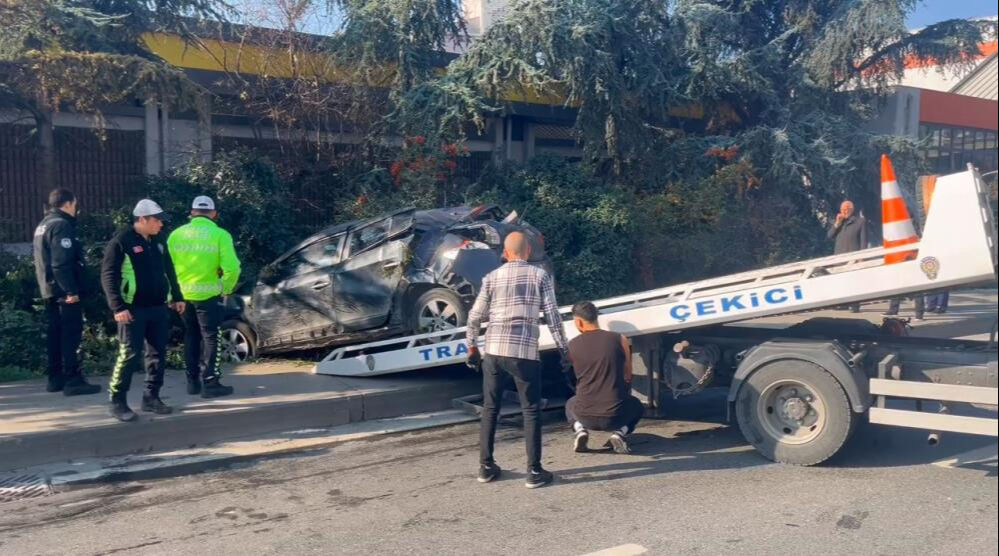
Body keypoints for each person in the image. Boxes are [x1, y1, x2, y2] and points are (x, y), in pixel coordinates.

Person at [465, 231, 570, 489]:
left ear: (506, 252)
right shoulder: (539, 275)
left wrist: (472, 347)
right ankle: (534, 471)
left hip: (493, 351)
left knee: (490, 408)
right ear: (528, 252)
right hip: (523, 353)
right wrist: (564, 350)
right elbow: (553, 316)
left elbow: (474, 316)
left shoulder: (491, 278)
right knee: (530, 410)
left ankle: (486, 467)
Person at [101, 199, 185, 422]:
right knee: (129, 354)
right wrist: (117, 306)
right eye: (157, 220)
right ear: (142, 220)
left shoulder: (159, 241)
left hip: (158, 307)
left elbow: (169, 269)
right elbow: (108, 275)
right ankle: (117, 401)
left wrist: (177, 296)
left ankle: (151, 397)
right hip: (132, 309)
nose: (160, 224)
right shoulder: (121, 241)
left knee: (158, 354)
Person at [167, 196, 240, 398]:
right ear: (214, 214)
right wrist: (225, 288)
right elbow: (233, 268)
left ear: (192, 213)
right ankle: (211, 382)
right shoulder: (220, 235)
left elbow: (166, 268)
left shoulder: (175, 235)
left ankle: (192, 382)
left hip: (182, 296)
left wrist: (171, 295)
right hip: (208, 295)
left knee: (191, 335)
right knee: (211, 337)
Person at [32, 188, 101, 396]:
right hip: (64, 292)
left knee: (55, 335)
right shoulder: (62, 225)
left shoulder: (43, 225)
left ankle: (56, 378)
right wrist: (71, 290)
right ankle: (73, 380)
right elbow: (61, 262)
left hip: (49, 290)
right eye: (75, 205)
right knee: (71, 334)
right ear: (69, 203)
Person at [564, 301, 643, 455]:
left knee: (570, 403)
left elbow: (576, 375)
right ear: (596, 317)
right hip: (616, 416)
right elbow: (628, 374)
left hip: (585, 415)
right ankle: (619, 433)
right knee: (637, 405)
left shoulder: (572, 345)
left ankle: (580, 430)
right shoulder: (620, 339)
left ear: (578, 322)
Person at [827, 200, 867, 313]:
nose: (845, 211)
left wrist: (862, 257)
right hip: (839, 256)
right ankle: (842, 303)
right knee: (841, 281)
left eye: (847, 209)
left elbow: (864, 241)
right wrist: (837, 223)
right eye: (843, 209)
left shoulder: (860, 222)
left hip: (853, 256)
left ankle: (855, 305)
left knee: (854, 281)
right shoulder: (839, 222)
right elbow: (829, 236)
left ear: (852, 210)